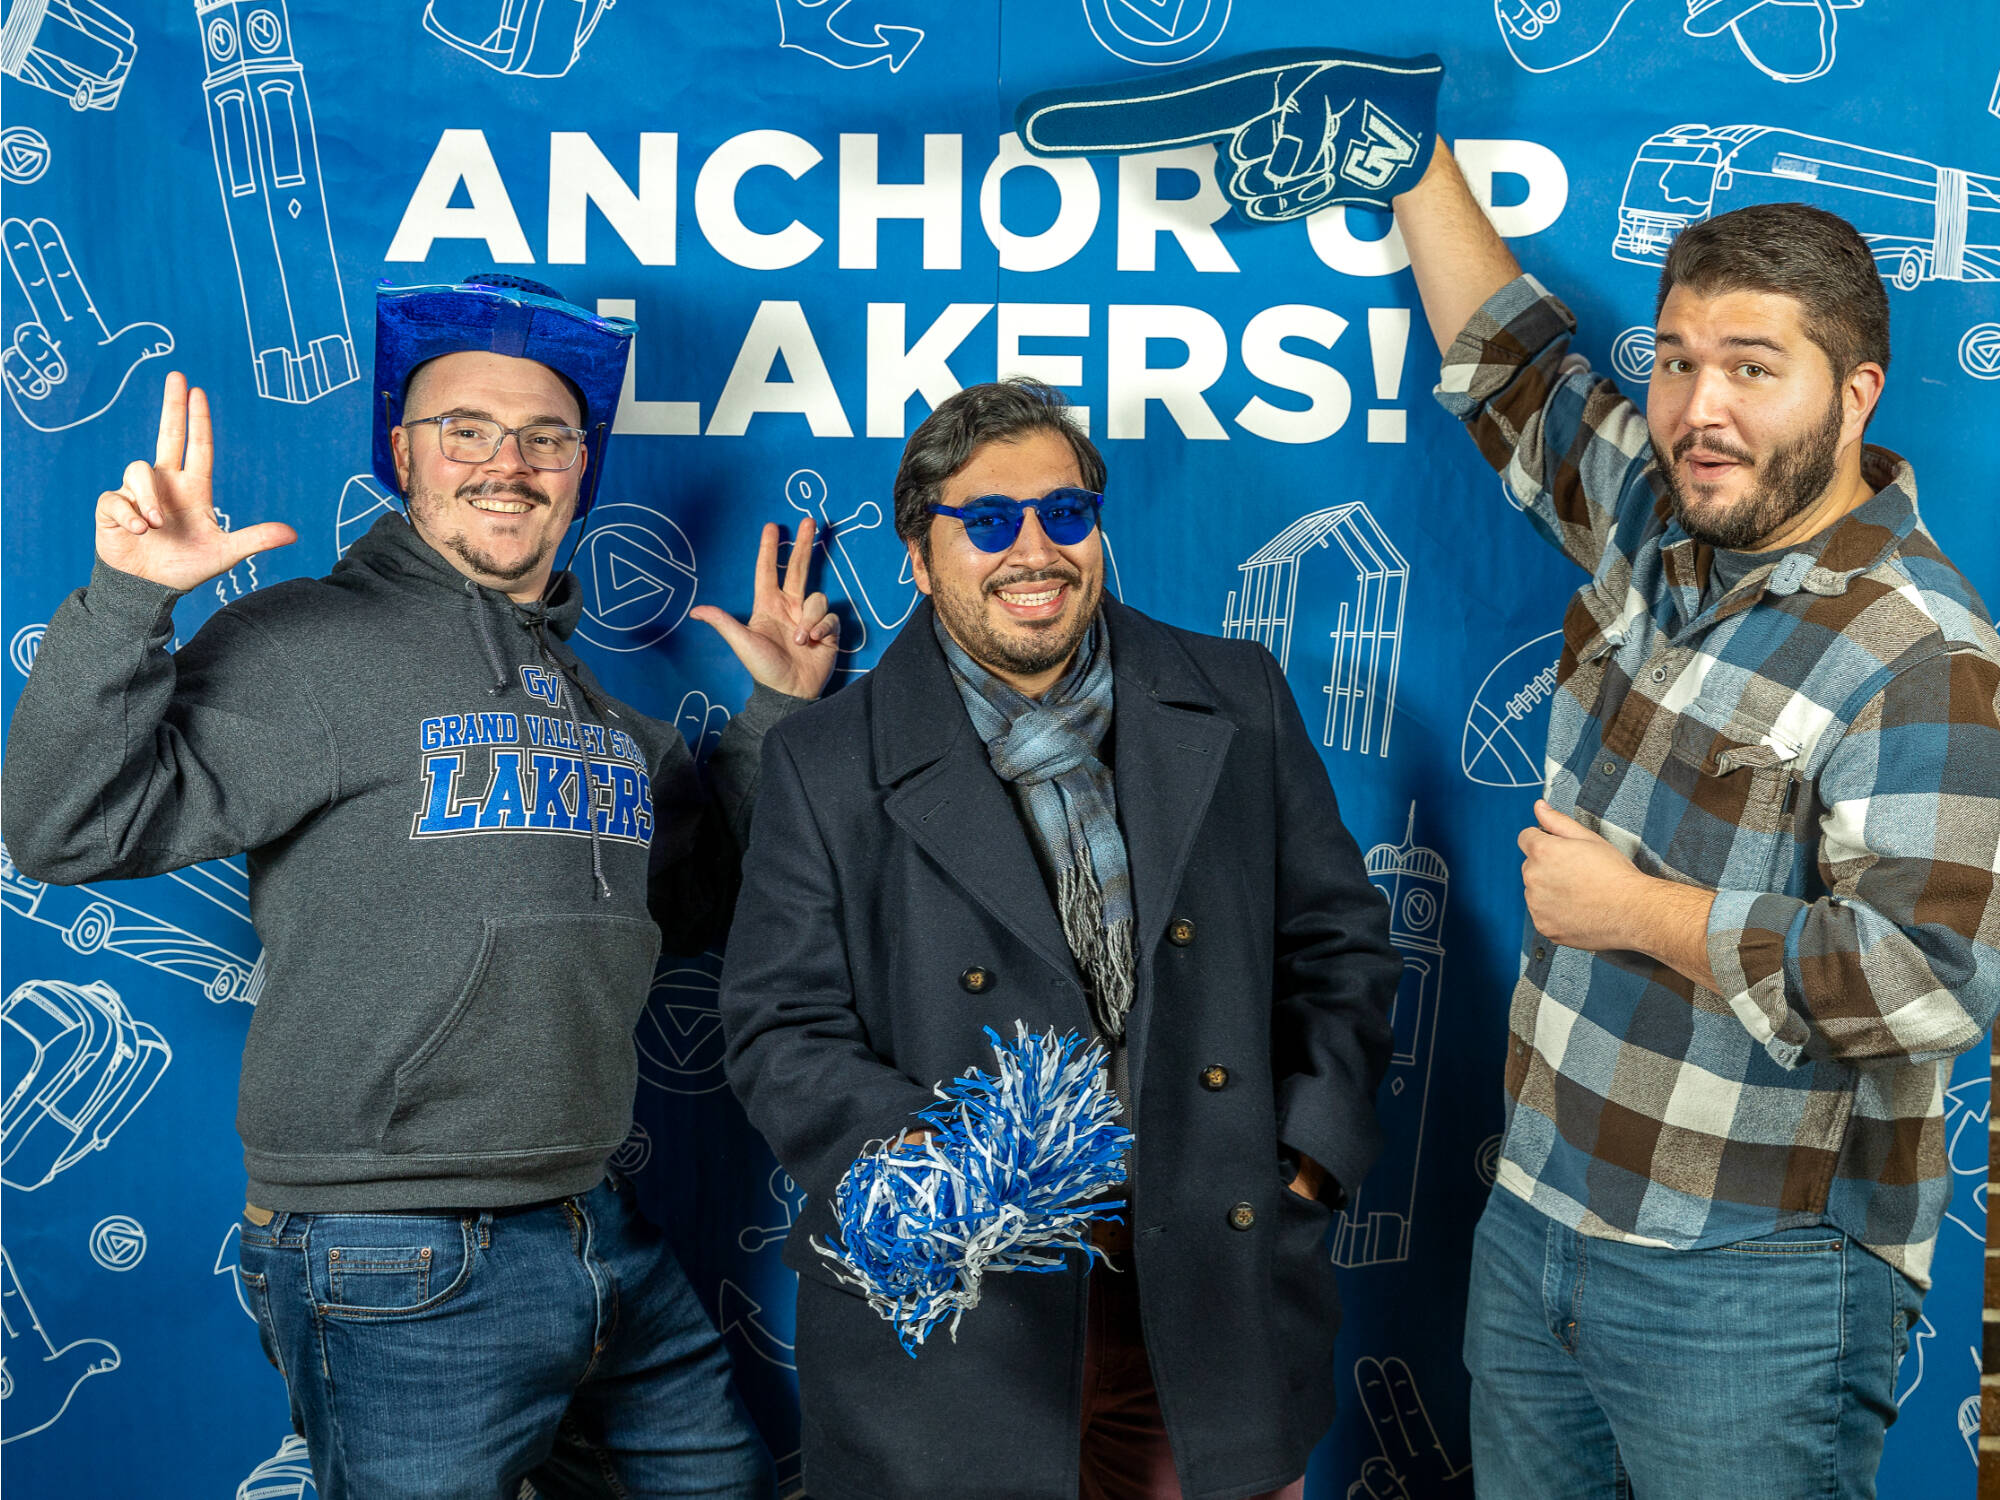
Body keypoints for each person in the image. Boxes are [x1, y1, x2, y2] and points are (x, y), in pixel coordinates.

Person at [2, 274, 841, 1499]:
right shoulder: (307, 643)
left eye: (546, 436)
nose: (509, 462)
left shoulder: (609, 718)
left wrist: (771, 716)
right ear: (404, 454)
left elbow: (700, 908)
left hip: (597, 1224)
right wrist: (133, 598)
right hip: (391, 1247)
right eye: (467, 431)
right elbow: (61, 829)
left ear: (579, 469)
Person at [1391, 145, 2000, 1495]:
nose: (1698, 409)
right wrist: (1410, 161)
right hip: (1541, 1216)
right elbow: (1513, 377)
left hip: (1754, 1281)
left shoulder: (1922, 653)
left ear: (1856, 396)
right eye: (1674, 363)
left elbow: (1929, 980)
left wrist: (1638, 915)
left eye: (1750, 367)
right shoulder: (1659, 526)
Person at [716, 377, 1402, 1500]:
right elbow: (779, 1025)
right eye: (987, 521)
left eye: (1064, 514)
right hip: (958, 1326)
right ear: (919, 554)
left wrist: (1305, 1162)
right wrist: (958, 1191)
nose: (1032, 549)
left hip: (1208, 1286)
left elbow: (1336, 945)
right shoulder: (823, 757)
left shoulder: (1234, 693)